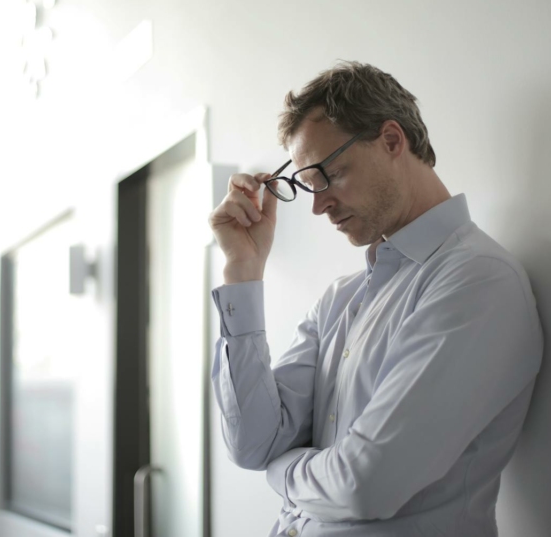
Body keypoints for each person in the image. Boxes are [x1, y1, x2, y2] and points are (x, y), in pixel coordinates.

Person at [207, 61, 543, 537]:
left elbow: (365, 485)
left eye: (328, 174)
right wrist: (243, 270)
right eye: (307, 184)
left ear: (391, 140)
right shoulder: (340, 299)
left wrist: (283, 472)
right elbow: (252, 443)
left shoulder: (478, 280)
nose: (318, 205)